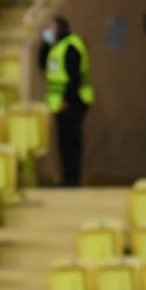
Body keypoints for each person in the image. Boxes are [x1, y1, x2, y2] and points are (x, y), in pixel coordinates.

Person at [39, 16, 92, 187]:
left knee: (72, 141)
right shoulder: (56, 46)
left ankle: (73, 178)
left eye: (51, 28)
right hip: (59, 103)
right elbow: (42, 64)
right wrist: (45, 43)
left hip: (73, 101)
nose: (48, 31)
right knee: (63, 141)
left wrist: (66, 100)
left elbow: (74, 77)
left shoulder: (71, 46)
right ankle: (67, 177)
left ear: (60, 28)